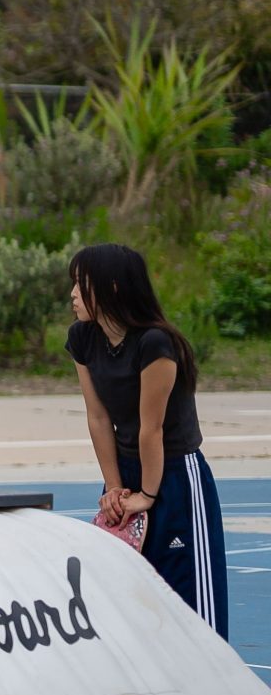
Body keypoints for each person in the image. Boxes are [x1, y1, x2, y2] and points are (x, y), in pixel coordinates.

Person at [66, 244, 228, 638]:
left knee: (193, 608)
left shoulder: (155, 343)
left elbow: (150, 428)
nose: (72, 294)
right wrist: (115, 488)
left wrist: (148, 495)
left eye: (81, 284)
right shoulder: (82, 337)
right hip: (126, 469)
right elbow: (98, 417)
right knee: (125, 596)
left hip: (174, 475)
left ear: (113, 287)